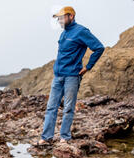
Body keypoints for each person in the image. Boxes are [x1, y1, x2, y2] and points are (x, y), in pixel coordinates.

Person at [36, 6, 105, 146]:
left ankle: (65, 137)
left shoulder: (81, 31)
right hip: (58, 76)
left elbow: (99, 47)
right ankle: (46, 137)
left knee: (68, 108)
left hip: (72, 76)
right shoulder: (63, 33)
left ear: (71, 16)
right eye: (58, 19)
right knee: (51, 107)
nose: (60, 21)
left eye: (62, 18)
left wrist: (88, 67)